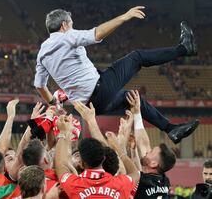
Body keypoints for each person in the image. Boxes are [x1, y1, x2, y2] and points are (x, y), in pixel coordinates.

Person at [34, 8, 199, 144]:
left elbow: (40, 86)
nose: (72, 27)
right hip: (100, 89)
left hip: (91, 107)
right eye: (71, 24)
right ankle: (184, 48)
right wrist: (124, 17)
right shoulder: (67, 36)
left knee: (133, 99)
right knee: (137, 57)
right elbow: (96, 34)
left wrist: (53, 103)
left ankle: (171, 129)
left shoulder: (42, 53)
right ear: (64, 25)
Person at [54, 115, 139, 199]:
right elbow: (135, 173)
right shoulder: (121, 184)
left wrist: (63, 132)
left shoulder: (74, 184)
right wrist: (118, 148)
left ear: (82, 164)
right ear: (103, 158)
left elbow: (61, 164)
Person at [126, 90, 176, 198]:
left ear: (153, 164)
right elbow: (143, 145)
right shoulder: (163, 180)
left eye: (151, 152)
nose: (148, 151)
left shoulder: (143, 181)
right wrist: (137, 113)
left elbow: (142, 147)